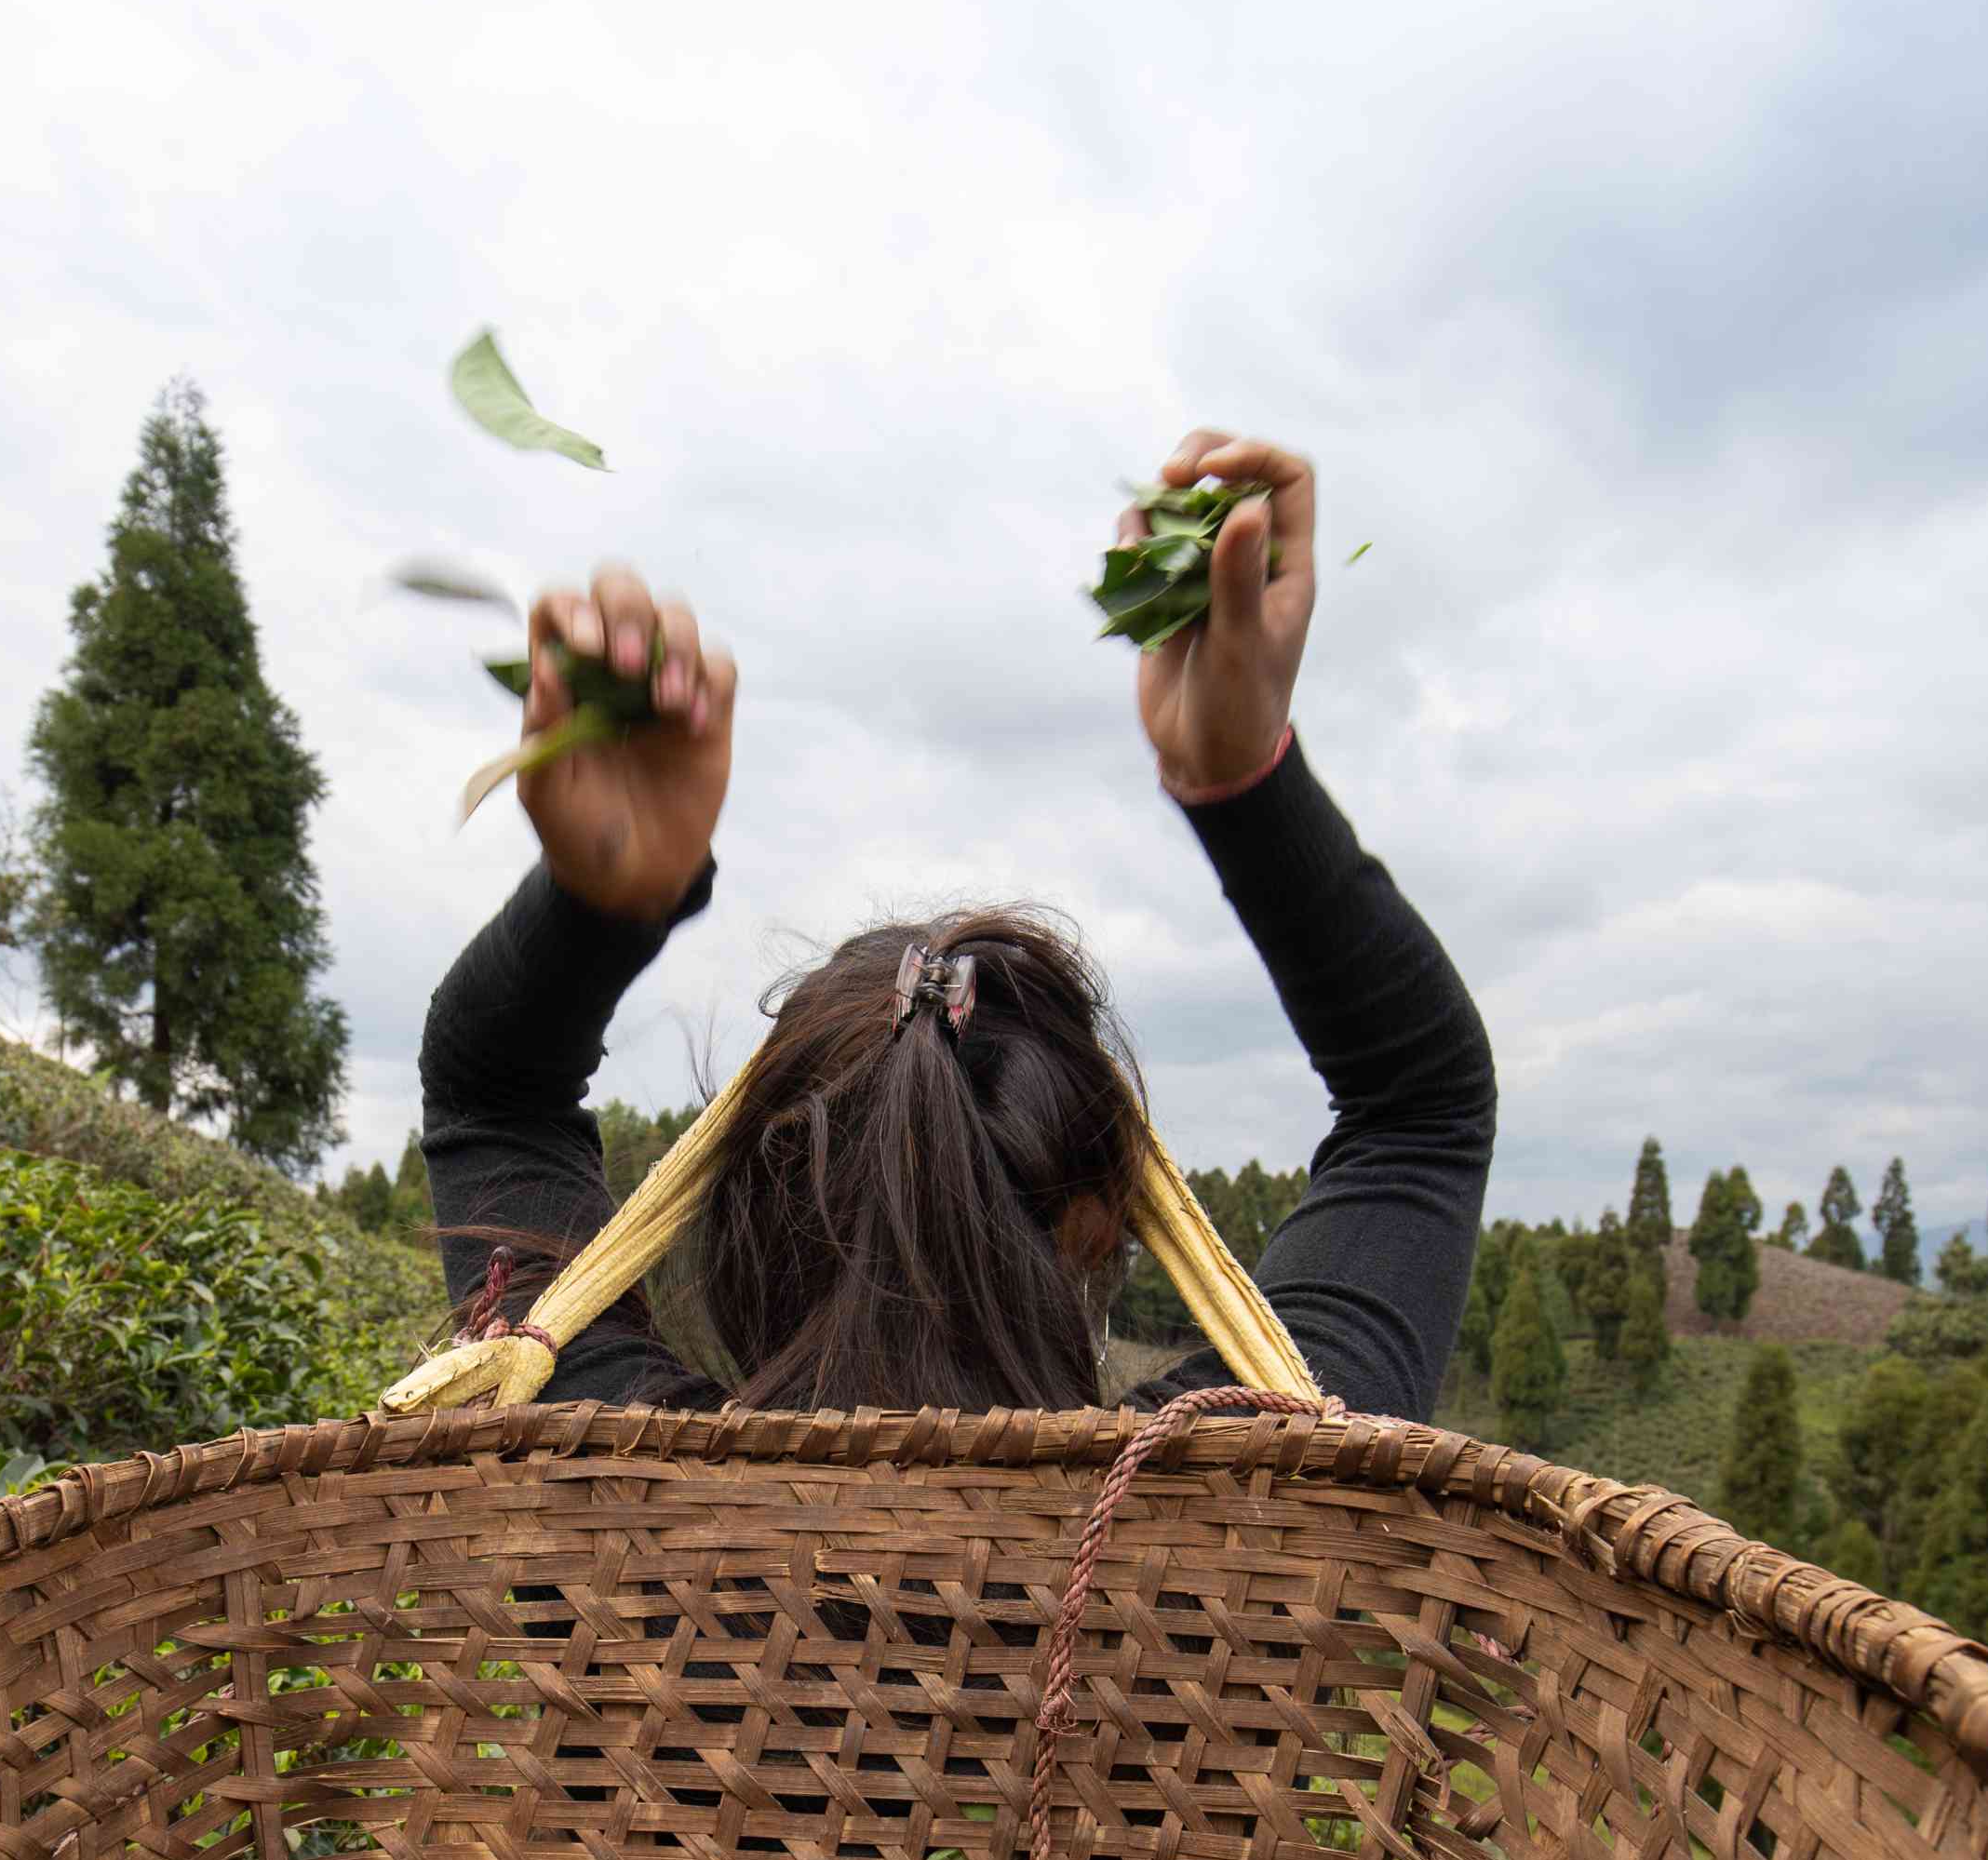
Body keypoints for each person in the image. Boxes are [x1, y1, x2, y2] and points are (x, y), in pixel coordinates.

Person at [416, 431, 1493, 1419]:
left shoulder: (605, 1504)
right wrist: (1241, 781)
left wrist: (601, 900)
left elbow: (493, 1088)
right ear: (1096, 1227)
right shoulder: (1270, 1491)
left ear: (734, 1209)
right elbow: (1418, 1107)